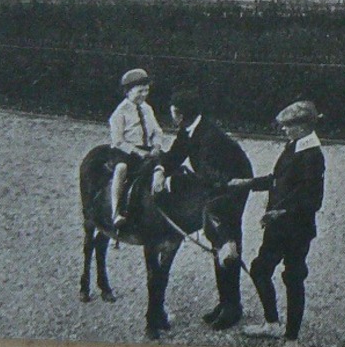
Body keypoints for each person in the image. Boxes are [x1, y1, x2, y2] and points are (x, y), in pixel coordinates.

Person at [152, 90, 253, 330]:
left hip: (233, 186)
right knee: (218, 241)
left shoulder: (208, 137)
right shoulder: (189, 129)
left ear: (180, 113)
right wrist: (160, 170)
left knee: (225, 241)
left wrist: (176, 181)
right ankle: (226, 302)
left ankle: (232, 307)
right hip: (219, 183)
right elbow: (175, 155)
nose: (171, 113)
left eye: (173, 110)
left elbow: (212, 178)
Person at [231, 100, 326, 346]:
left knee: (293, 278)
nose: (284, 130)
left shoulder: (312, 155)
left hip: (297, 230)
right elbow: (277, 180)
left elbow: (312, 200)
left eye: (288, 126)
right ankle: (272, 324)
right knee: (260, 269)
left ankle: (292, 338)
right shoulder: (293, 146)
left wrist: (279, 213)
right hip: (277, 228)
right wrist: (247, 183)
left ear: (303, 126)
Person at [108, 68, 163, 226]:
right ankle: (116, 211)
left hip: (147, 149)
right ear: (128, 91)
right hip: (125, 152)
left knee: (166, 164)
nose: (144, 95)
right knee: (121, 169)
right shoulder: (120, 113)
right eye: (140, 91)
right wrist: (138, 152)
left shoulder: (147, 109)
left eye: (146, 91)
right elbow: (118, 141)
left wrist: (157, 145)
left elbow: (157, 130)